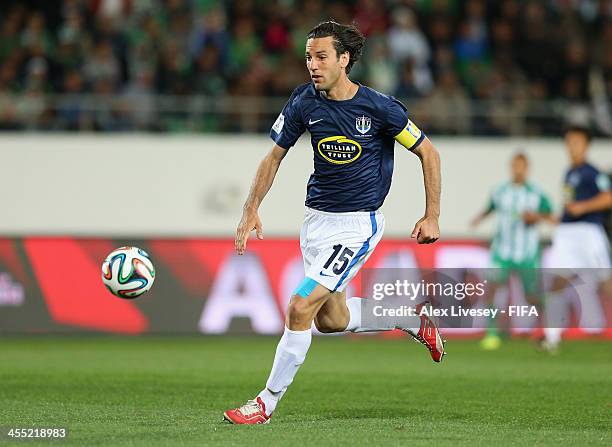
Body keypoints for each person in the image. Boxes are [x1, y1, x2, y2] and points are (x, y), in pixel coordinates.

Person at [223, 21, 445, 425]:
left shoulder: (380, 108)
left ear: (344, 59)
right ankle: (412, 319)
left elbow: (429, 153)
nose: (312, 64)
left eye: (321, 56)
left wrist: (432, 215)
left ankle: (265, 403)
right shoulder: (304, 102)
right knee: (332, 320)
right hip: (315, 223)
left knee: (299, 306)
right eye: (308, 56)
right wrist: (250, 207)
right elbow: (273, 156)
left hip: (357, 225)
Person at [471, 152, 554, 350]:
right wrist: (478, 219)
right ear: (511, 167)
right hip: (502, 251)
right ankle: (492, 333)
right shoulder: (500, 191)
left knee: (530, 296)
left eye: (522, 166)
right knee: (493, 290)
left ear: (527, 168)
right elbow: (491, 207)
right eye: (515, 165)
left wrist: (535, 217)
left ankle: (543, 329)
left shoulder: (536, 193)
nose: (518, 169)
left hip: (527, 253)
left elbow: (550, 215)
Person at [541, 125, 612, 353]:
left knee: (606, 284)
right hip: (568, 234)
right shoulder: (569, 172)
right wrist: (552, 218)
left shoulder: (593, 172)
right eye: (569, 142)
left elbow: (608, 197)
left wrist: (583, 206)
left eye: (576, 142)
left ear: (586, 145)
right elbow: (569, 208)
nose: (571, 146)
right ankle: (551, 339)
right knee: (556, 282)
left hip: (588, 232)